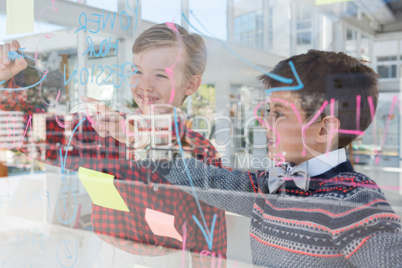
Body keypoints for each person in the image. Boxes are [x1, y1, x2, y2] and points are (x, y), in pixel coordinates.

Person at [0, 23, 227, 267]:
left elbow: (211, 235)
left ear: (191, 85)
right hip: (110, 257)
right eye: (138, 71)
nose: (145, 85)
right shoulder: (104, 129)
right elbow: (27, 134)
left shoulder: (201, 150)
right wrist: (5, 79)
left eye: (161, 75)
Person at [147, 50, 402, 267]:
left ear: (325, 130)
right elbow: (209, 181)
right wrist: (148, 144)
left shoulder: (354, 199)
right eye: (268, 111)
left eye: (279, 114)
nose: (265, 123)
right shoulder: (270, 183)